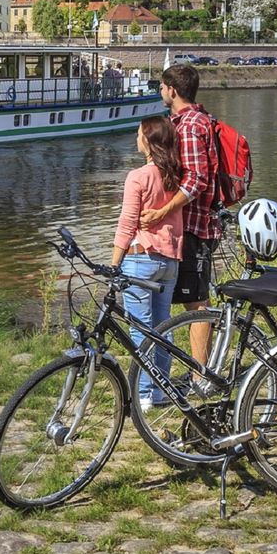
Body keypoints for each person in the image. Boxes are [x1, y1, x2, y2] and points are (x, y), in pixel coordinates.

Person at [141, 64, 222, 375]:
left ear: (172, 90)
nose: (161, 92)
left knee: (196, 302)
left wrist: (162, 211)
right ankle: (186, 368)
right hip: (192, 226)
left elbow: (196, 180)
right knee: (188, 300)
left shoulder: (189, 127)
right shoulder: (197, 121)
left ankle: (202, 374)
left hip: (194, 227)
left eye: (162, 88)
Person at [115, 115, 186, 411]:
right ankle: (160, 391)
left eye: (139, 134)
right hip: (170, 261)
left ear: (148, 141)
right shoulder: (175, 175)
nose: (136, 138)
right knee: (162, 327)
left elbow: (127, 223)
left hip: (140, 259)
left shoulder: (139, 176)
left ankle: (144, 395)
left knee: (140, 332)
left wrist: (114, 263)